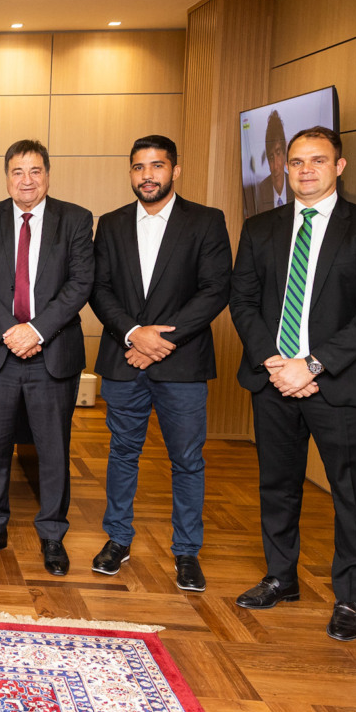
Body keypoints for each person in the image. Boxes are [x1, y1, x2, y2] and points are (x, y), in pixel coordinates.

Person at [229, 126, 356, 641]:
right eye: (298, 161)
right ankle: (281, 577)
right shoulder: (260, 228)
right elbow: (243, 301)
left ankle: (350, 597)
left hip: (342, 386)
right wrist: (276, 362)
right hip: (273, 379)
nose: (306, 170)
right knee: (277, 486)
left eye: (318, 161)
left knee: (352, 495)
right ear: (286, 167)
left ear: (338, 167)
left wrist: (313, 365)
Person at [88, 135, 231, 591]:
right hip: (124, 358)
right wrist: (134, 334)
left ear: (176, 170)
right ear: (130, 173)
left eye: (156, 166)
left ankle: (187, 552)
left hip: (182, 364)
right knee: (121, 453)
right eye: (138, 167)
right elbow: (99, 289)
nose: (147, 175)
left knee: (187, 460)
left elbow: (215, 290)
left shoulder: (207, 222)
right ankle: (118, 540)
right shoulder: (109, 224)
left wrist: (159, 340)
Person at [0, 139, 94, 575]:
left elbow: (80, 284)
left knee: (53, 449)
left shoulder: (75, 219)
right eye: (17, 172)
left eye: (35, 171)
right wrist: (11, 330)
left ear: (48, 175)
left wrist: (35, 330)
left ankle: (53, 534)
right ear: (7, 177)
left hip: (52, 353)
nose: (26, 180)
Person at [254, 110, 288, 216]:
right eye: (271, 157)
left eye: (278, 153)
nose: (275, 166)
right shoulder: (261, 191)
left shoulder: (296, 186)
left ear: (284, 154)